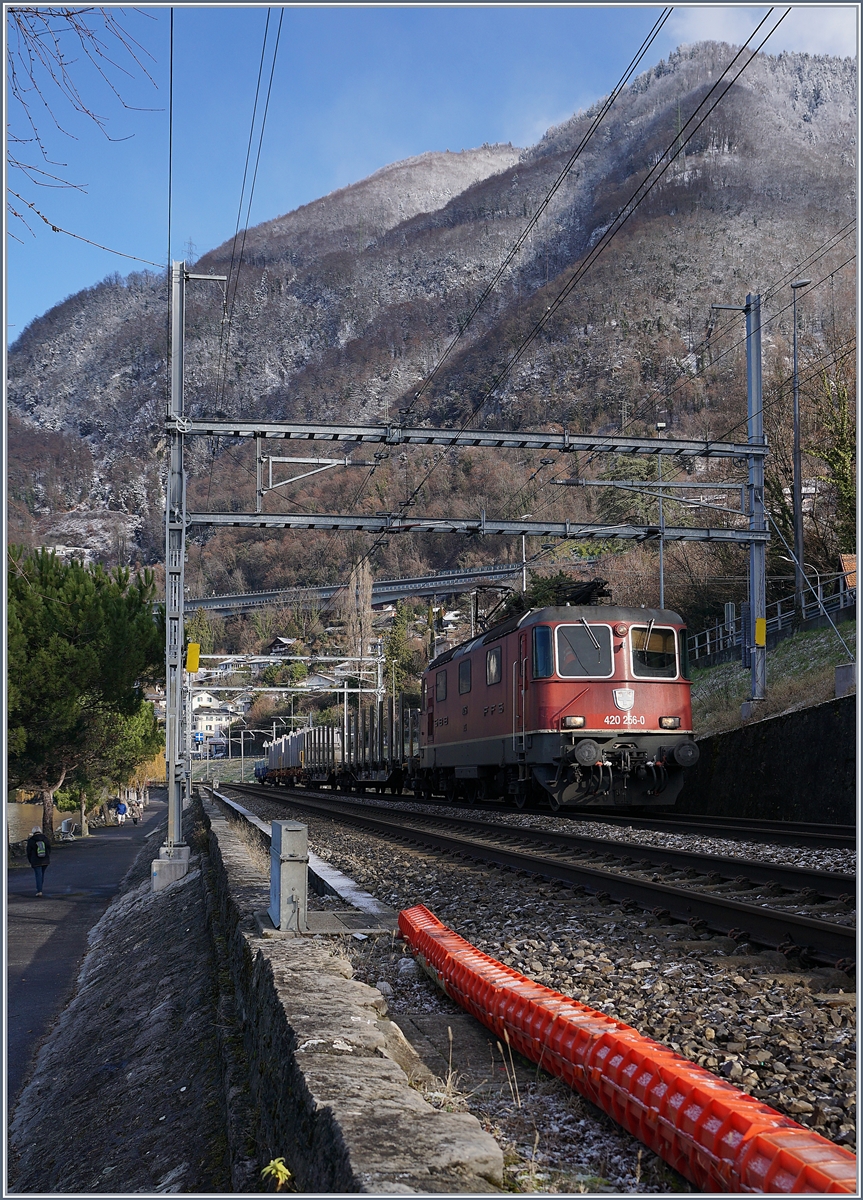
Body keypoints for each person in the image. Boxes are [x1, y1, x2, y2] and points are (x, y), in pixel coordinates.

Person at [26, 827, 51, 896]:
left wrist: (30, 860)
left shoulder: (31, 840)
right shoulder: (45, 839)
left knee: (38, 875)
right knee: (41, 875)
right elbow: (49, 848)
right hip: (45, 860)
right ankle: (40, 888)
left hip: (36, 860)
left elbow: (28, 852)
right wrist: (47, 856)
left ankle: (39, 890)